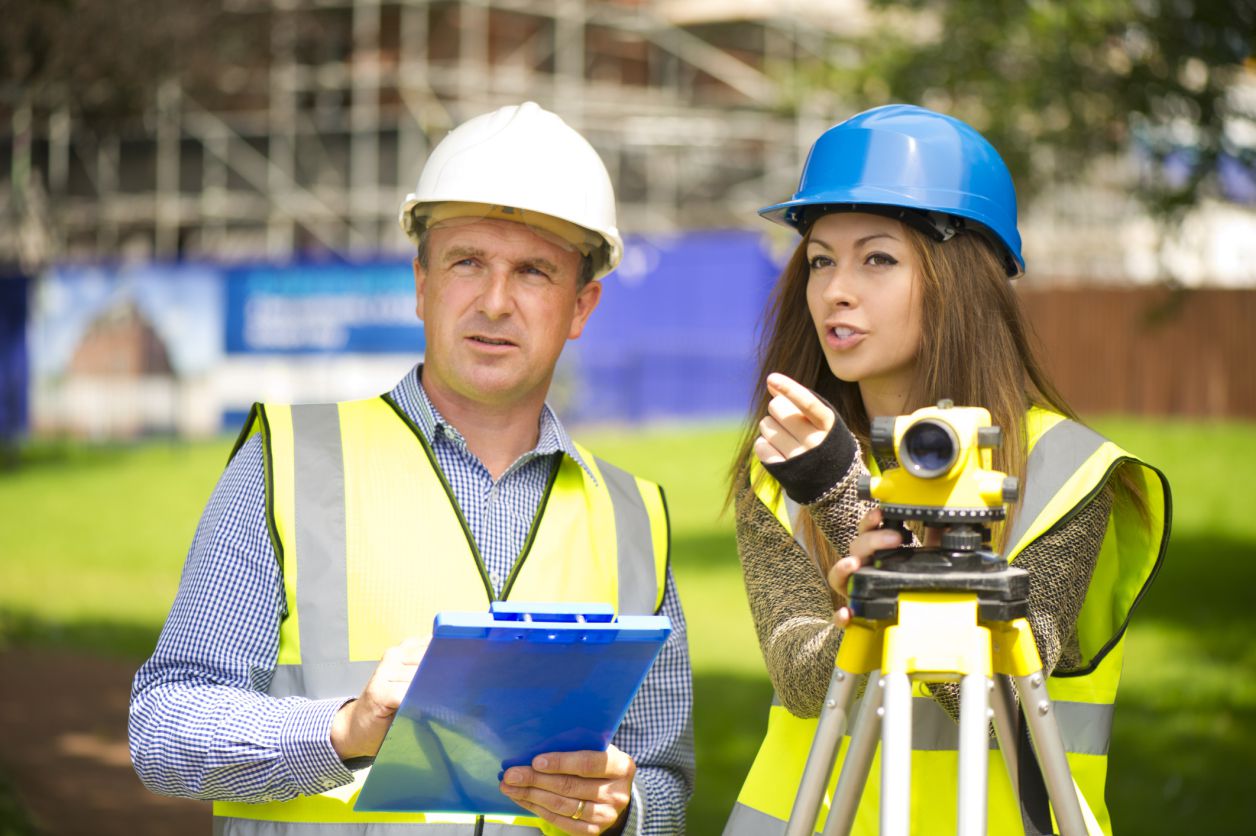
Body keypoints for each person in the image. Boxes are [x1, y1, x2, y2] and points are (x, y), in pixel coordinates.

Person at [130, 101, 694, 836]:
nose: (495, 302)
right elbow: (166, 726)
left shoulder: (632, 518)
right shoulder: (290, 463)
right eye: (467, 262)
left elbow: (664, 780)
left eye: (533, 272)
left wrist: (624, 810)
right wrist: (341, 730)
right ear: (421, 282)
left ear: (581, 305)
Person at [722, 105, 1171, 835]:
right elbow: (802, 677)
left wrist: (851, 505)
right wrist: (838, 499)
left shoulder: (1069, 470)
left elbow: (1000, 702)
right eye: (821, 259)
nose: (836, 289)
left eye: (878, 258)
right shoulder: (786, 465)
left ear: (962, 279)